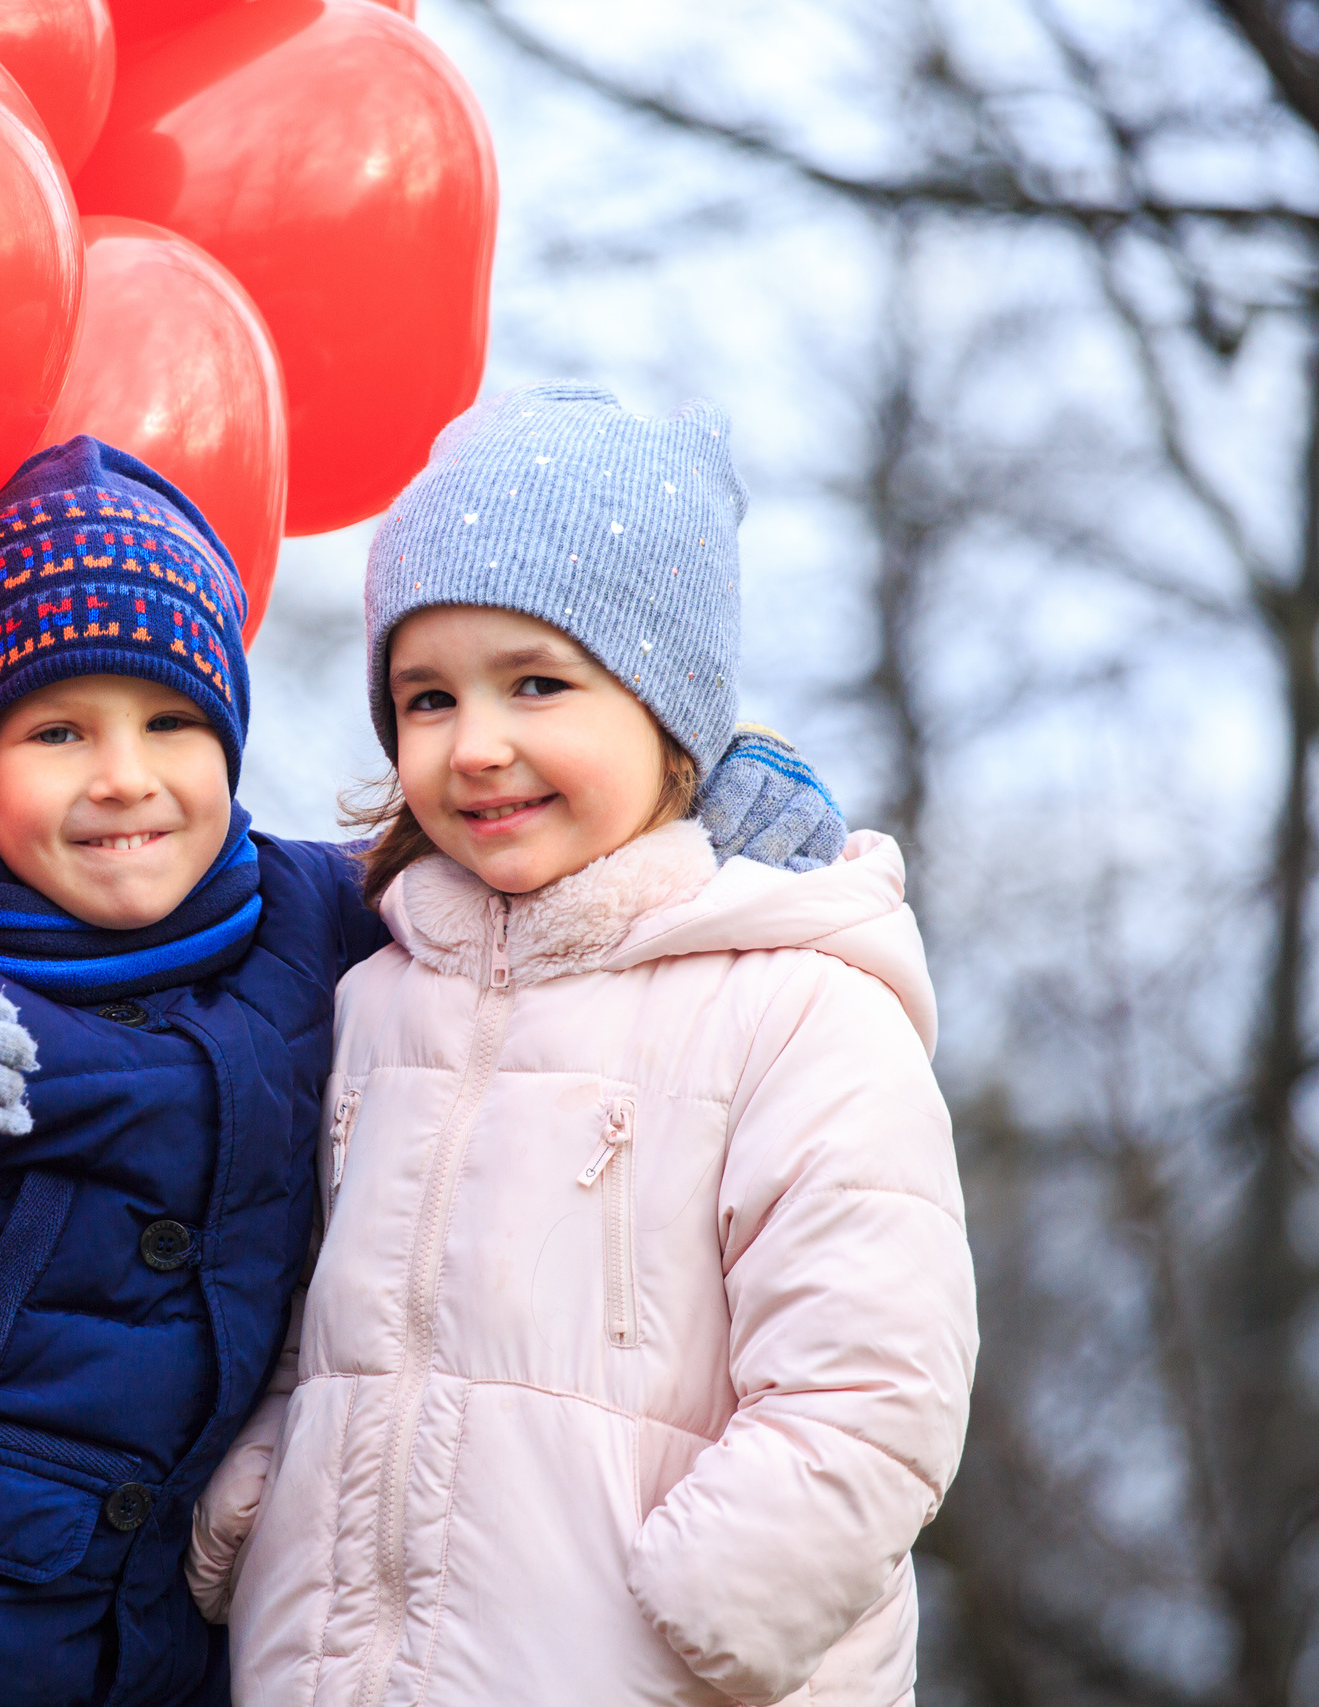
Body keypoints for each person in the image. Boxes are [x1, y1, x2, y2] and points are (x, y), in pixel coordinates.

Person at [0, 431, 848, 1707]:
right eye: (54, 732)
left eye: (169, 722)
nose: (124, 778)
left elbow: (519, 873)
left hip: (166, 1642)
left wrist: (706, 814)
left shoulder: (307, 919)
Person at [186, 383, 978, 1706]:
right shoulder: (377, 991)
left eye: (539, 682)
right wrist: (255, 1498)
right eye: (428, 697)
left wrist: (683, 1623)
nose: (477, 743)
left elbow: (874, 1388)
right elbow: (322, 1309)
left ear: (669, 708)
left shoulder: (794, 1000)